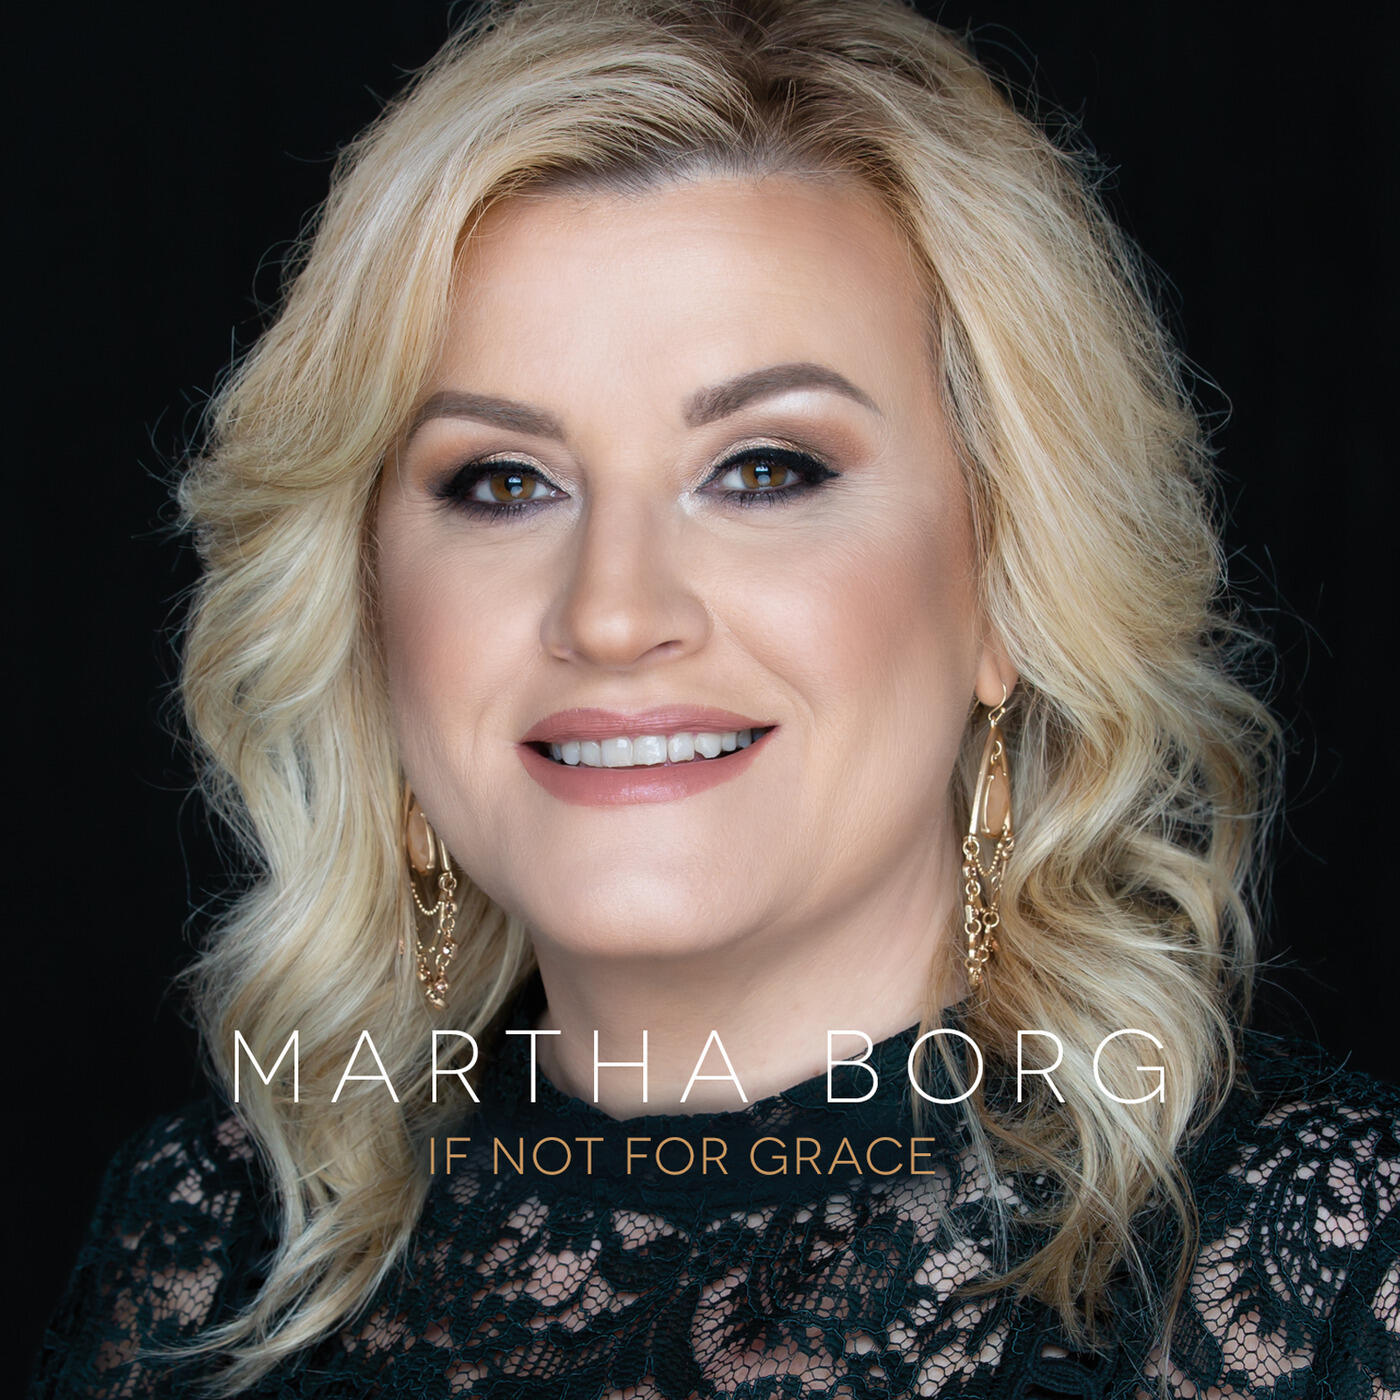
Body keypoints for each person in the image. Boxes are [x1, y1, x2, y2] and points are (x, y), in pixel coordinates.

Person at [29, 0, 1398, 1396]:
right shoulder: (206, 1250)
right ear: (374, 605)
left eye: (764, 471)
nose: (613, 613)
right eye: (502, 482)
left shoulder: (1331, 1278)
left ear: (1004, 584)